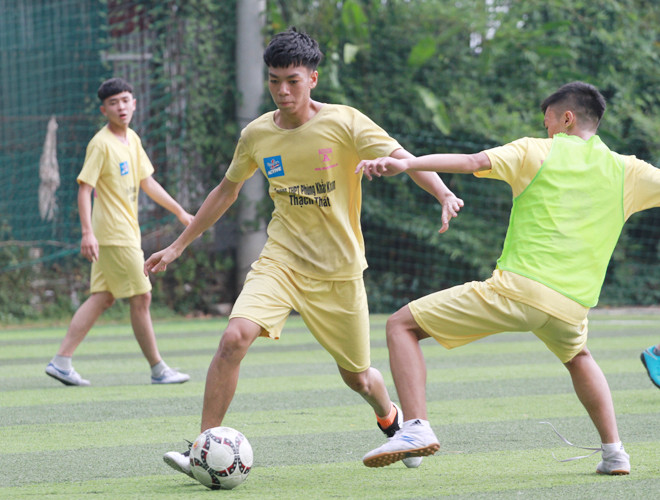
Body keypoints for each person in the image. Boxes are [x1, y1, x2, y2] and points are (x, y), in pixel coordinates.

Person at [144, 28, 463, 477]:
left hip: (338, 271)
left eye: (292, 80)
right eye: (274, 81)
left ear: (312, 78)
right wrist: (178, 245)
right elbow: (226, 190)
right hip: (282, 261)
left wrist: (443, 192)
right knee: (234, 338)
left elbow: (403, 158)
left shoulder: (346, 122)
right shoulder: (256, 134)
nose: (282, 91)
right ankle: (201, 449)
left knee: (358, 377)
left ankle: (392, 420)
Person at [357, 81, 660, 475]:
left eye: (548, 121)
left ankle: (415, 428)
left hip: (519, 292)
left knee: (400, 325)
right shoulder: (629, 170)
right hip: (572, 308)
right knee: (579, 357)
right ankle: (615, 454)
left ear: (567, 119)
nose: (546, 129)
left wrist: (407, 164)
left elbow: (472, 161)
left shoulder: (536, 150)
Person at [45, 78, 193, 387]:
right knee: (142, 297)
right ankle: (158, 369)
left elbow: (147, 182)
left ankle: (61, 362)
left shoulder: (132, 139)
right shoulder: (100, 144)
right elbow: (84, 190)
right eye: (113, 103)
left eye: (125, 100)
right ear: (104, 110)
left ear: (134, 103)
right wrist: (87, 233)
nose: (121, 107)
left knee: (103, 297)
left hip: (123, 233)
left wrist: (180, 211)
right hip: (114, 235)